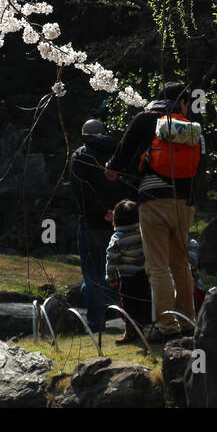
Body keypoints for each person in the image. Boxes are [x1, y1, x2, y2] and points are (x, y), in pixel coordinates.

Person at [105, 82, 203, 342]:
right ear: (183, 103)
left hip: (153, 200)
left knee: (158, 266)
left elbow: (122, 152)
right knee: (181, 264)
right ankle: (187, 322)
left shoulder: (146, 119)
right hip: (184, 203)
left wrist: (111, 168)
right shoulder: (192, 130)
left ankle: (167, 326)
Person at [68, 118, 121, 332]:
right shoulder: (118, 153)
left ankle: (95, 324)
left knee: (92, 274)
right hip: (119, 222)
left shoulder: (80, 156)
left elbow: (82, 190)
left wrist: (102, 211)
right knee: (117, 271)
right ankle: (120, 318)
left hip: (92, 222)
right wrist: (116, 211)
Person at [105, 200, 149, 344]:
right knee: (143, 303)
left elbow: (111, 259)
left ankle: (131, 332)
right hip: (144, 275)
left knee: (128, 306)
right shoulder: (143, 233)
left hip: (127, 278)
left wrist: (110, 277)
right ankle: (143, 329)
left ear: (116, 219)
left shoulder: (117, 238)